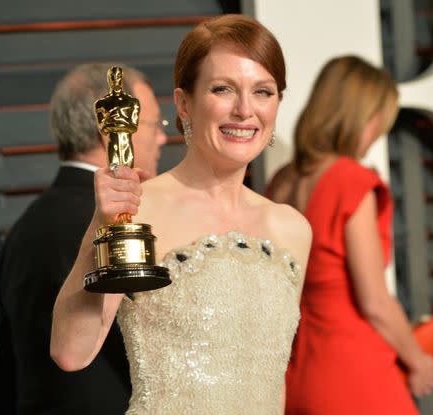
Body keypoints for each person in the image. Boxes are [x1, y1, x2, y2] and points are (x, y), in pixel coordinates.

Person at [50, 14, 312, 414]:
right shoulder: (139, 209)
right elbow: (71, 353)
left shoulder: (291, 229)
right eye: (223, 89)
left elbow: (271, 383)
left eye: (263, 91)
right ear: (184, 103)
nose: (245, 110)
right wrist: (97, 232)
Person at [267, 56, 433, 414]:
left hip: (295, 375)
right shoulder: (351, 181)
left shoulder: (280, 183)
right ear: (366, 117)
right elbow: (375, 302)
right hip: (353, 373)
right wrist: (417, 359)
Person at [0, 62, 167, 414]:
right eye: (153, 125)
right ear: (112, 132)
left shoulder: (24, 228)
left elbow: (6, 367)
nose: (163, 137)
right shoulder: (119, 227)